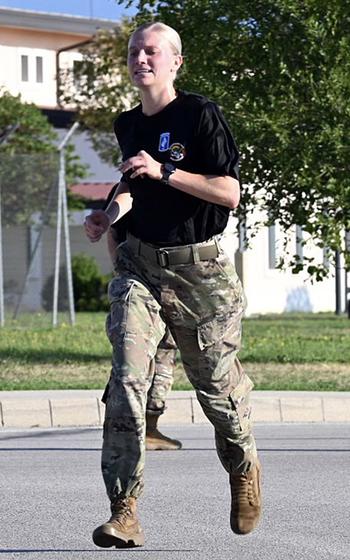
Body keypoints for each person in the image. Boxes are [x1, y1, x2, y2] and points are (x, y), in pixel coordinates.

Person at [84, 21, 262, 549]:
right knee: (125, 383)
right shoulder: (126, 124)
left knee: (219, 394)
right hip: (140, 267)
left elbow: (229, 193)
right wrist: (107, 214)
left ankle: (243, 468)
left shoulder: (200, 115)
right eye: (135, 50)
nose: (141, 58)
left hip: (200, 273)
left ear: (175, 61)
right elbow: (132, 189)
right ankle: (124, 510)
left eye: (152, 51)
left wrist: (165, 172)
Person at [105, 183, 182, 451]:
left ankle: (149, 425)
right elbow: (114, 232)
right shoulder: (127, 189)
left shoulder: (164, 185)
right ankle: (134, 427)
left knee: (159, 354)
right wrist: (124, 271)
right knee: (137, 358)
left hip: (166, 283)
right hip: (144, 284)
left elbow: (112, 235)